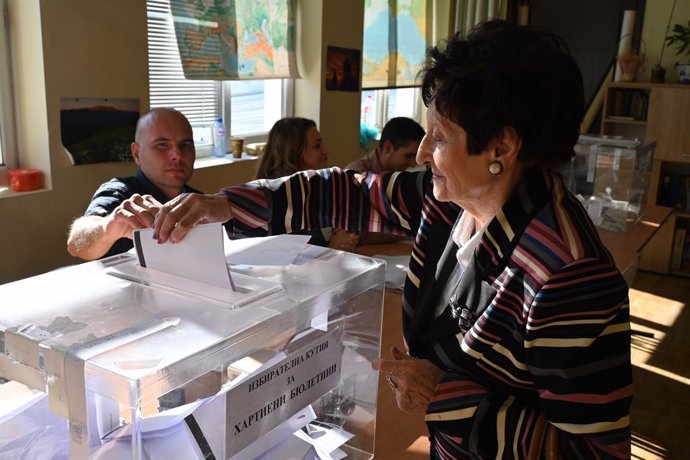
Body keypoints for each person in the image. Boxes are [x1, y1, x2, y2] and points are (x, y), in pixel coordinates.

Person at [151, 20, 632, 458]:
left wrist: (446, 398)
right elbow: (347, 191)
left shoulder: (568, 276)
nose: (422, 152)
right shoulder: (448, 199)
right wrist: (228, 205)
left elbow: (593, 452)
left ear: (501, 148)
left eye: (439, 137)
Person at [66, 108, 201, 261]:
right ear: (137, 154)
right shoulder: (119, 194)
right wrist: (106, 228)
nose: (177, 155)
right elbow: (76, 243)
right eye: (162, 145)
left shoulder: (199, 202)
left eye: (185, 145)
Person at [252, 117, 359, 251]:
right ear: (293, 154)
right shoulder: (277, 204)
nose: (326, 151)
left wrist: (346, 238)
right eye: (317, 146)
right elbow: (284, 263)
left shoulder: (320, 188)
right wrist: (333, 249)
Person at [346, 117, 425, 173]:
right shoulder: (356, 175)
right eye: (408, 156)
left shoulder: (398, 174)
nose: (413, 164)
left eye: (416, 157)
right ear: (388, 148)